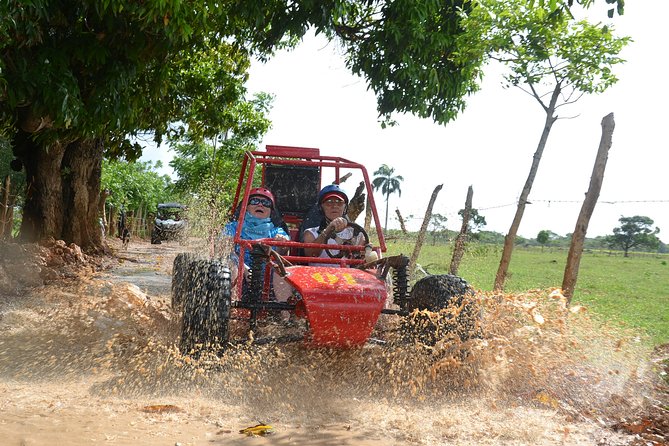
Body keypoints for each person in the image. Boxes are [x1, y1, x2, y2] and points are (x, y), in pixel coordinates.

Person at [302, 184, 367, 263]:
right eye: (329, 202)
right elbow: (311, 254)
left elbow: (362, 260)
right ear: (321, 207)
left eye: (339, 202)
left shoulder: (356, 234)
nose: (334, 206)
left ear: (345, 208)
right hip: (317, 274)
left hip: (347, 274)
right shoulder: (311, 233)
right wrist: (328, 230)